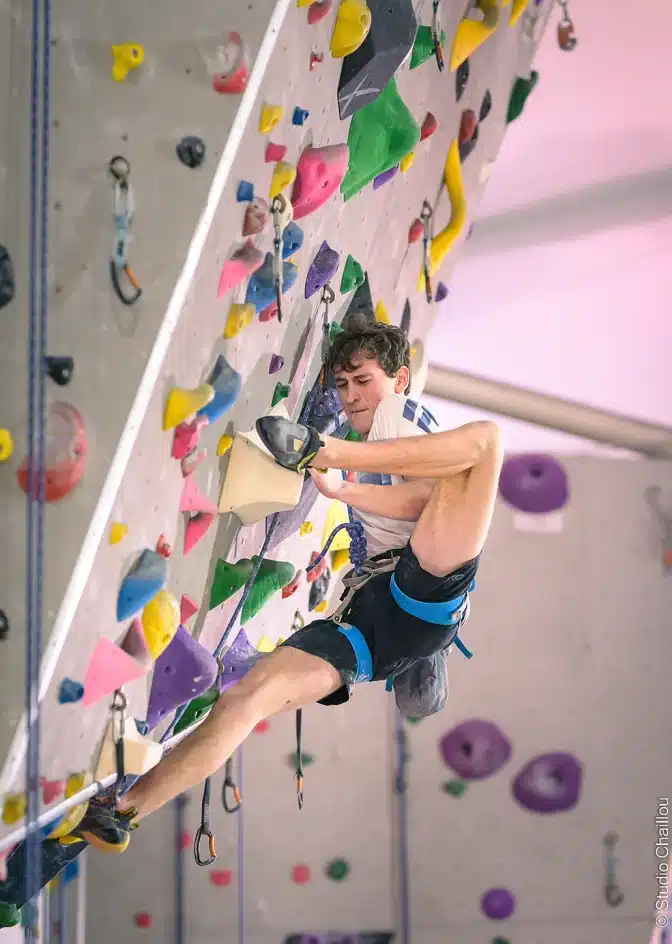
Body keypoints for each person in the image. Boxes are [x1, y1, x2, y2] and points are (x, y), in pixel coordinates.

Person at [46, 316, 504, 853]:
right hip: (370, 627)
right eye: (342, 385)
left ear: (400, 379)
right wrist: (341, 489)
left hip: (423, 589)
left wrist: (335, 474)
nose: (353, 396)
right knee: (246, 700)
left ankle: (326, 450)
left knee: (489, 440)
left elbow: (425, 500)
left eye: (364, 381)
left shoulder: (398, 416)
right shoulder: (383, 436)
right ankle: (121, 813)